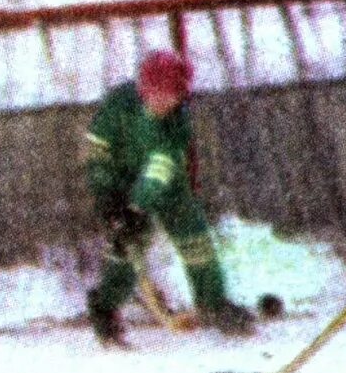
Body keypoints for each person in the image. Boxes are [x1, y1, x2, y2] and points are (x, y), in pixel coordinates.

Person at [83, 49, 257, 343]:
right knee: (126, 247)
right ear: (143, 89)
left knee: (196, 239)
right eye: (156, 94)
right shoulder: (118, 104)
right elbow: (98, 150)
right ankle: (105, 307)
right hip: (121, 181)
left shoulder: (177, 123)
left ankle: (212, 303)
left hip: (166, 184)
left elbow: (159, 169)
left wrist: (137, 208)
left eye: (171, 96)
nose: (163, 102)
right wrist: (108, 197)